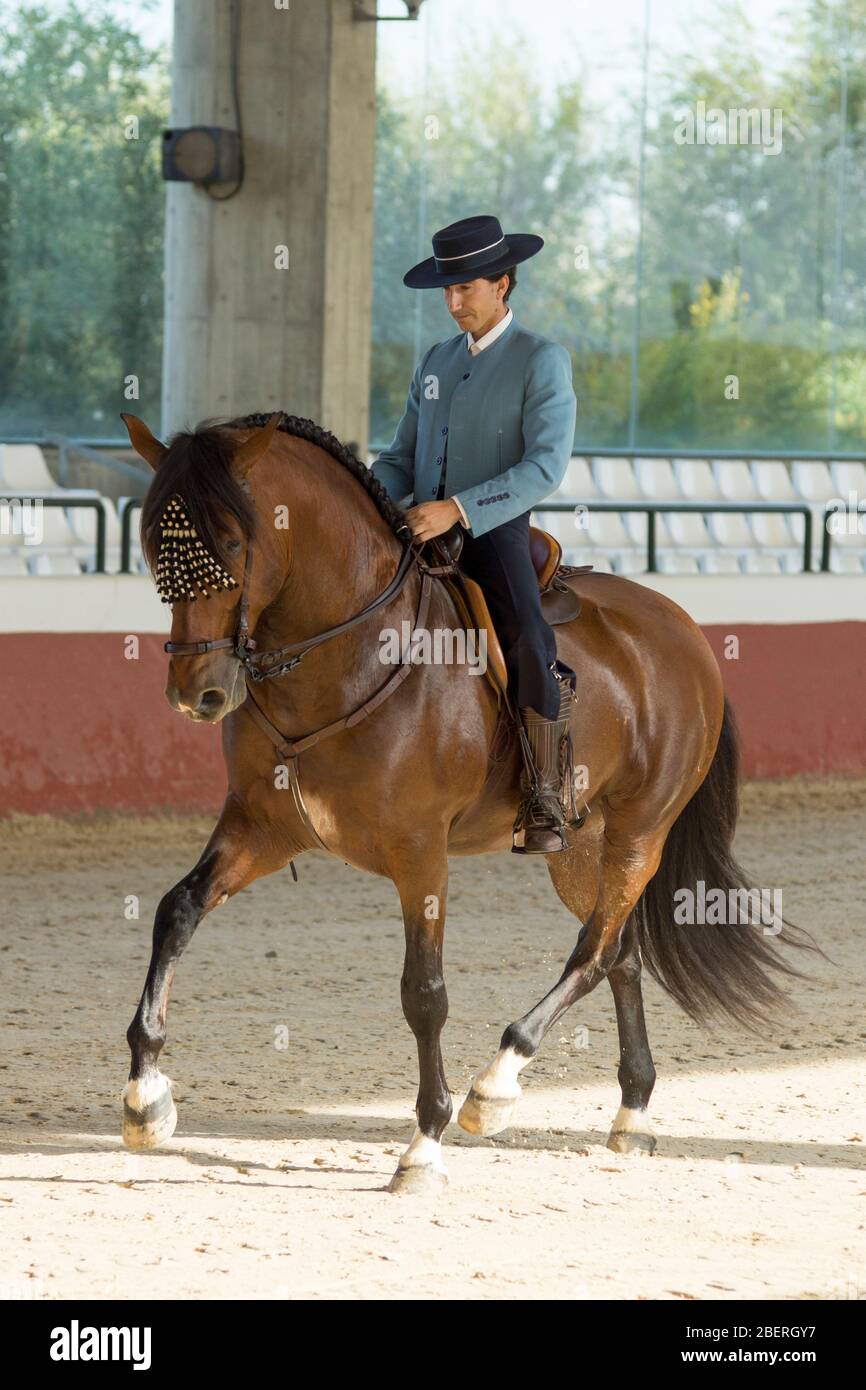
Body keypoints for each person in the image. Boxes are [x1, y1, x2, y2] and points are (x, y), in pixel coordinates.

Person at [371, 214, 580, 853]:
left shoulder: (540, 360)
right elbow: (401, 457)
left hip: (492, 529)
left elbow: (544, 465)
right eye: (447, 291)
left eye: (466, 289)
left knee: (523, 629)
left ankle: (545, 792)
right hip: (418, 526)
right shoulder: (435, 361)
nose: (454, 302)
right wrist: (364, 493)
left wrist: (458, 509)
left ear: (504, 283)